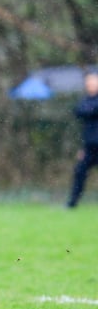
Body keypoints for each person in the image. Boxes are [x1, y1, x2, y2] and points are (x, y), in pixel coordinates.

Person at [67, 70, 98, 208]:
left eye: (93, 81)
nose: (90, 84)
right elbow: (79, 111)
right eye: (89, 81)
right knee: (79, 172)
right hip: (89, 146)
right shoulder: (85, 100)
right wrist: (82, 147)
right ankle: (72, 203)